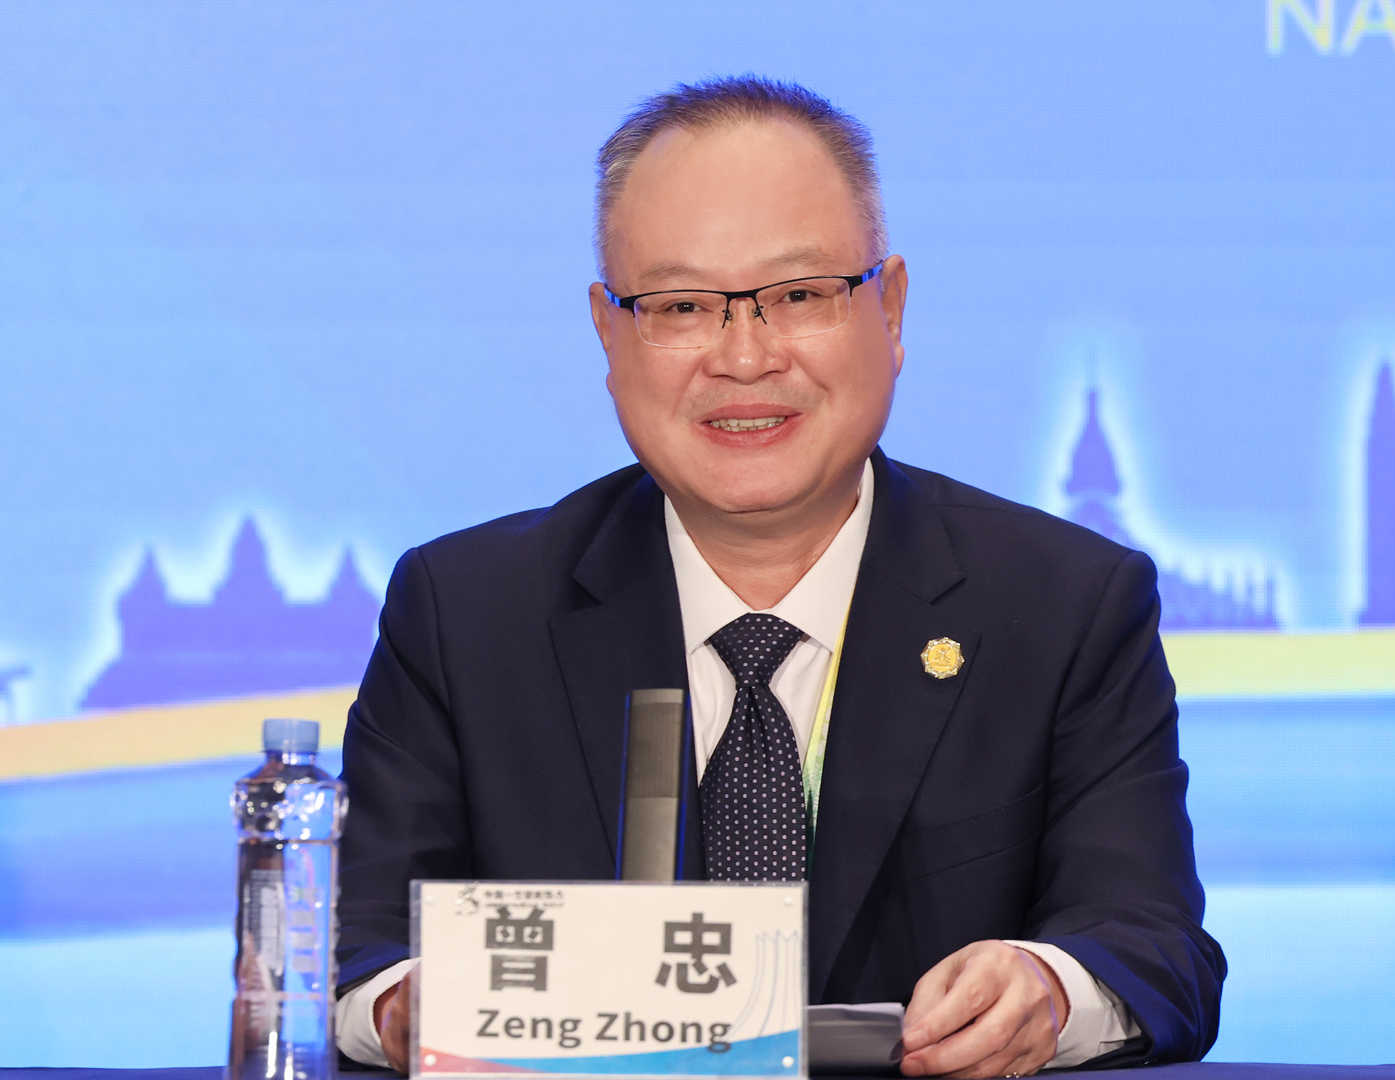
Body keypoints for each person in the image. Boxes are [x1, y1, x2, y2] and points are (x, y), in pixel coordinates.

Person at [331, 76, 1224, 1075]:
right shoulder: (466, 613)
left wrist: (1049, 990)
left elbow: (1155, 952)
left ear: (890, 309)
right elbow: (355, 949)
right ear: (609, 334)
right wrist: (412, 1005)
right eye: (681, 306)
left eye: (798, 296)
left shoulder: (1062, 606)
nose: (745, 358)